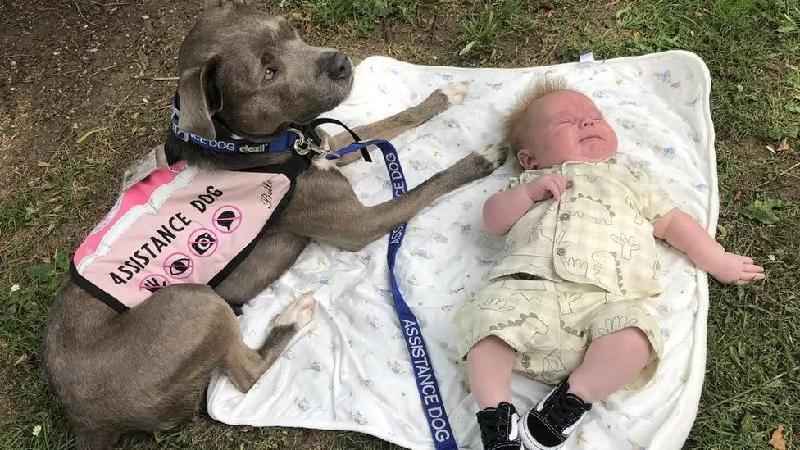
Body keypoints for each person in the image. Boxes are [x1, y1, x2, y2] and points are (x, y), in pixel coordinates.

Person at [455, 77, 765, 450]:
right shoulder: (531, 180)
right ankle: (496, 416)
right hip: (527, 292)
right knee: (485, 324)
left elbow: (671, 222)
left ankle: (571, 400)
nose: (587, 123)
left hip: (607, 301)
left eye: (594, 117)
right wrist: (526, 194)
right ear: (529, 158)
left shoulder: (630, 177)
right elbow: (493, 220)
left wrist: (717, 259)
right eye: (566, 122)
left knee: (636, 337)